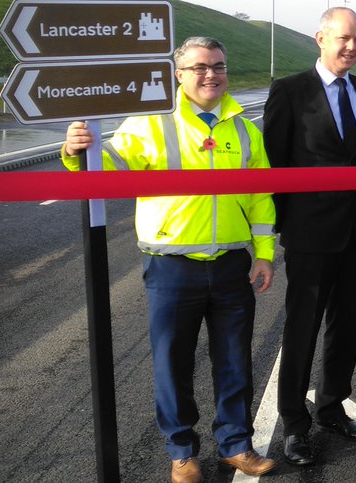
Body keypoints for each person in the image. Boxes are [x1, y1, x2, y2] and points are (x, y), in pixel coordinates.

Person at [62, 36, 277, 483]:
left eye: (218, 66)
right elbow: (107, 166)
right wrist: (75, 149)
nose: (210, 75)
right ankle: (182, 453)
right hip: (172, 267)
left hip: (231, 264)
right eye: (199, 67)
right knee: (172, 363)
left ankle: (235, 445)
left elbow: (260, 198)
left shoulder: (243, 128)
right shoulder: (150, 121)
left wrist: (263, 254)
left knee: (235, 361)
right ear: (178, 74)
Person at [263, 7, 356, 466]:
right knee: (302, 329)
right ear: (321, 38)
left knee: (346, 326)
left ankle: (332, 407)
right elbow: (274, 163)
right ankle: (295, 424)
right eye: (343, 38)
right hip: (310, 234)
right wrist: (276, 232)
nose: (350, 47)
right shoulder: (290, 91)